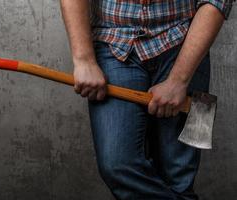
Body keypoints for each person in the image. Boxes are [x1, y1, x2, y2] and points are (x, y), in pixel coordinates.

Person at [60, 0, 234, 199]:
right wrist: (84, 60)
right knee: (117, 165)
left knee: (179, 177)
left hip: (186, 43)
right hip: (113, 40)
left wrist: (179, 80)